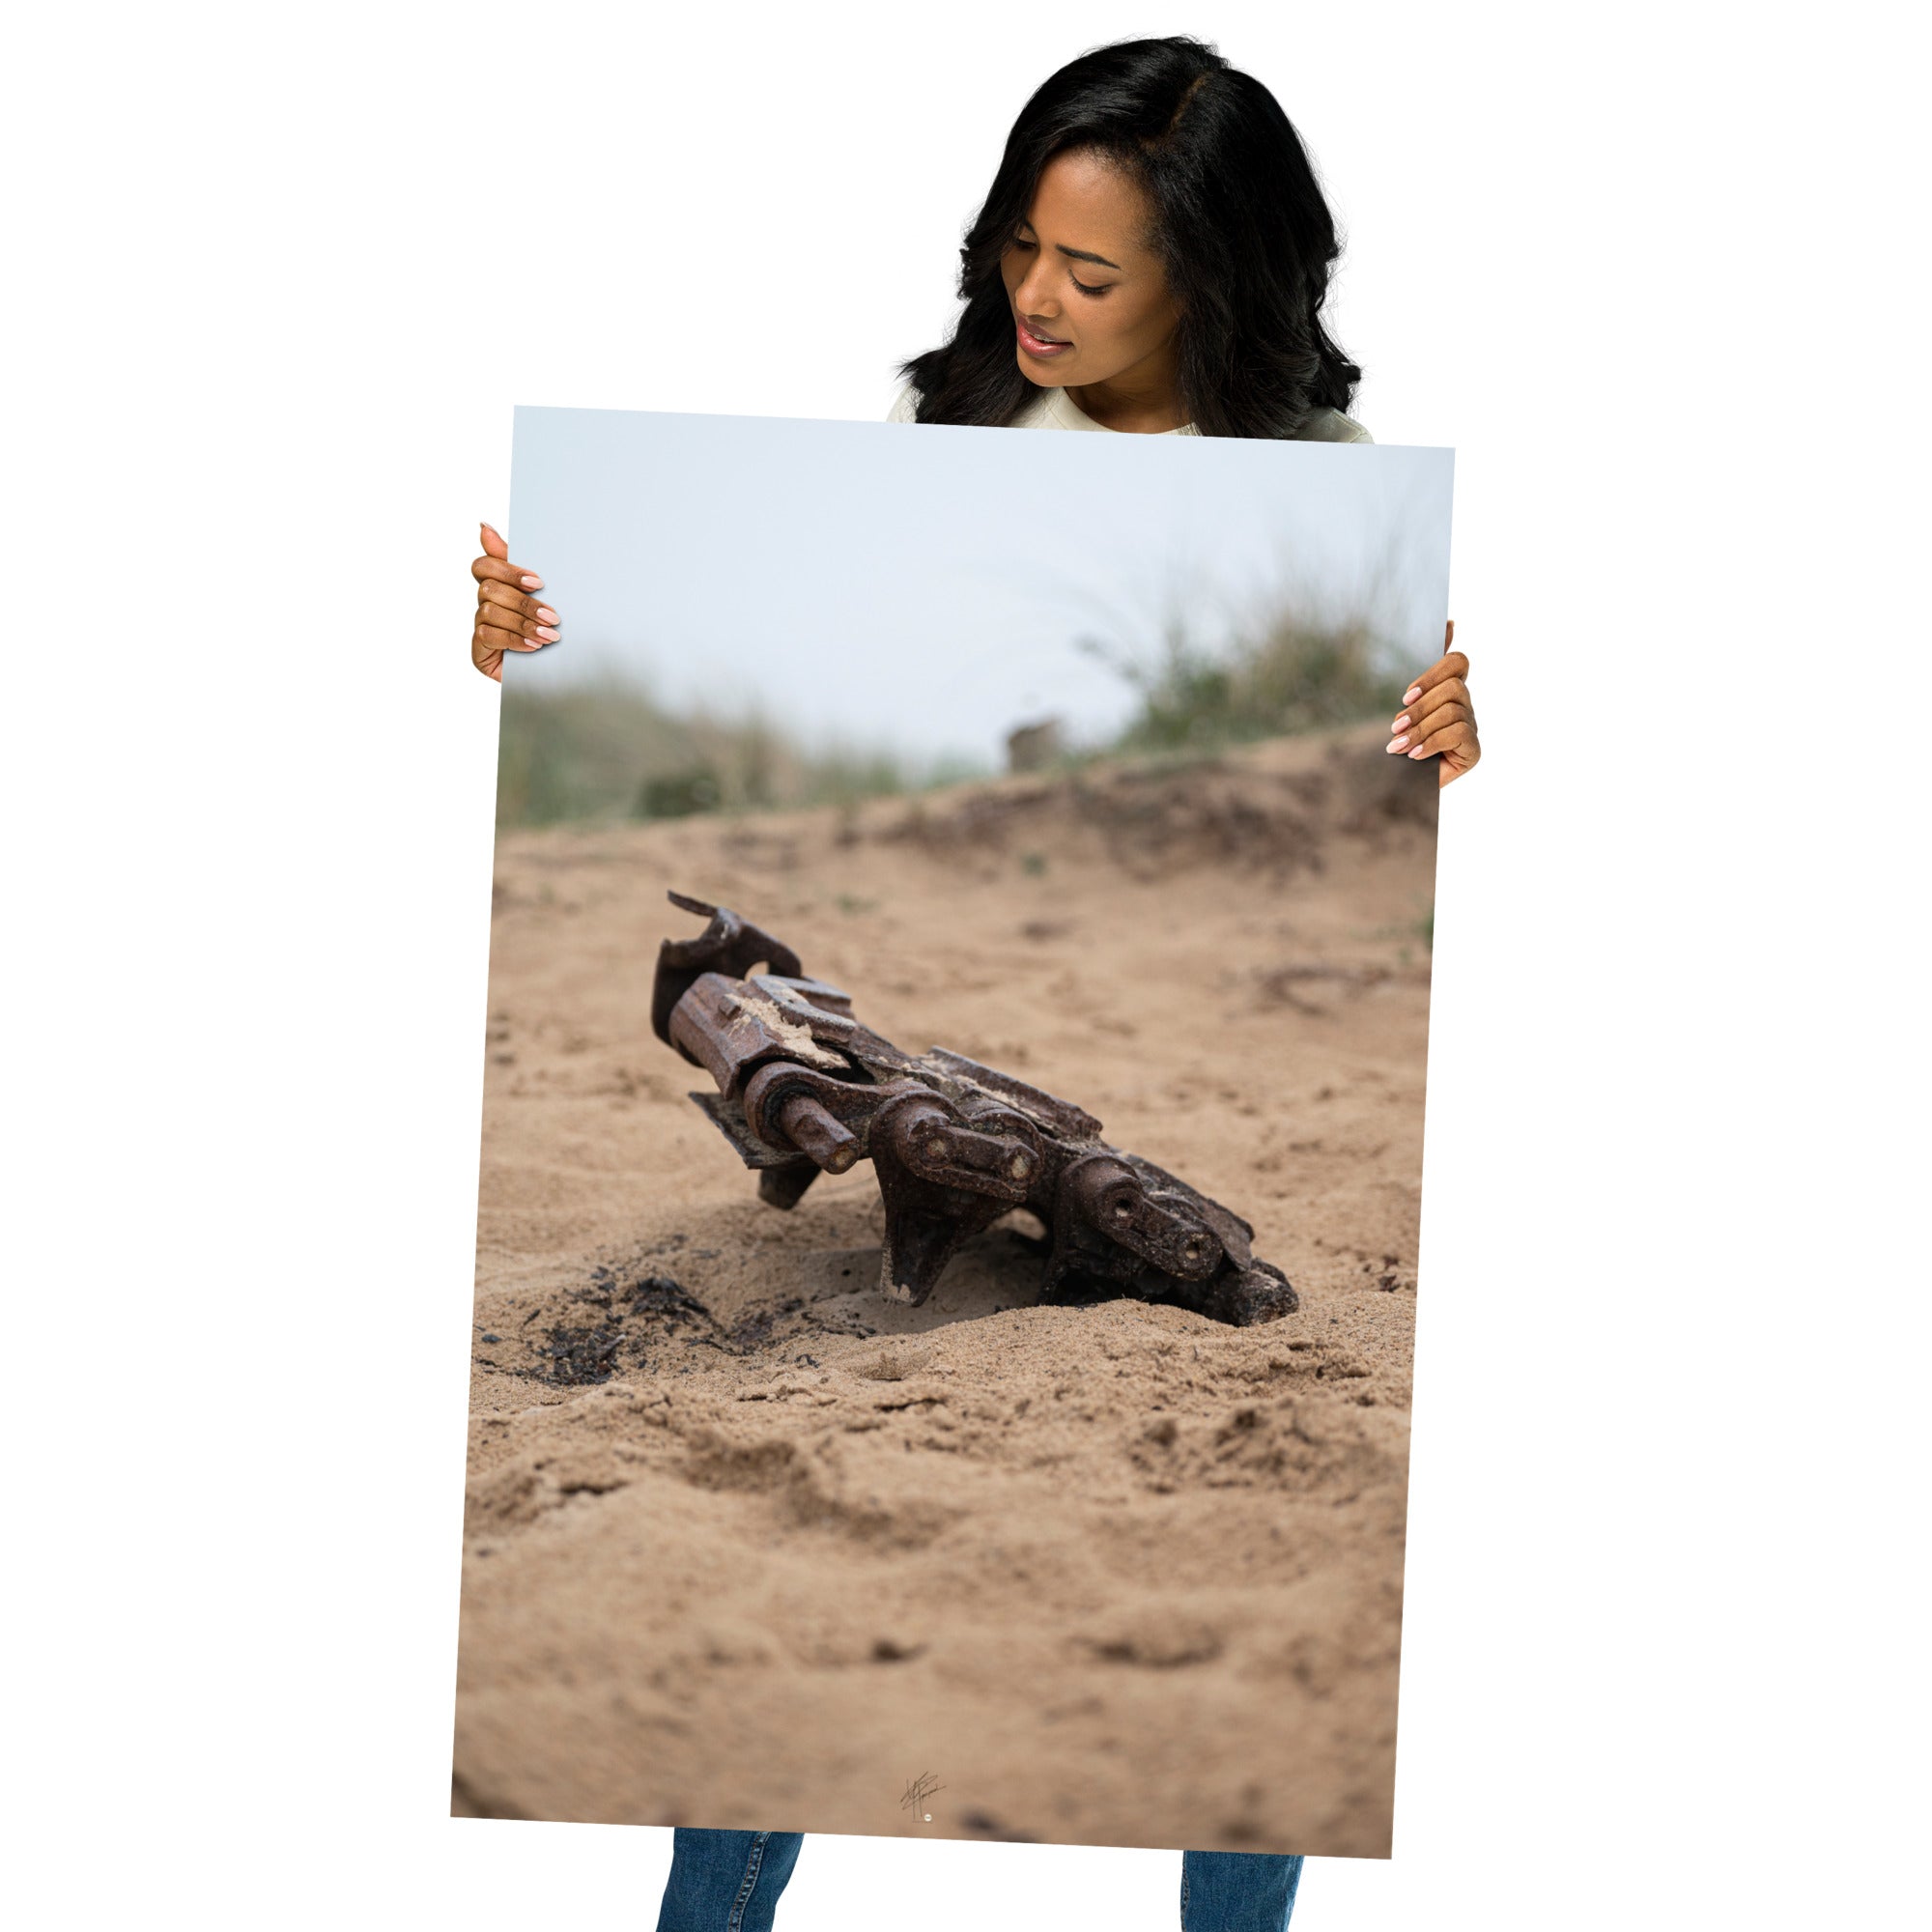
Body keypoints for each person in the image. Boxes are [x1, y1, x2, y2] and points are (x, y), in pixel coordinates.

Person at [468, 35, 1482, 1931]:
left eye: (1093, 275)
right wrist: (495, 644)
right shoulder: (950, 421)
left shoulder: (1339, 484)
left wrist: (1466, 735)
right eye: (1023, 244)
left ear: (1219, 278)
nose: (1036, 296)